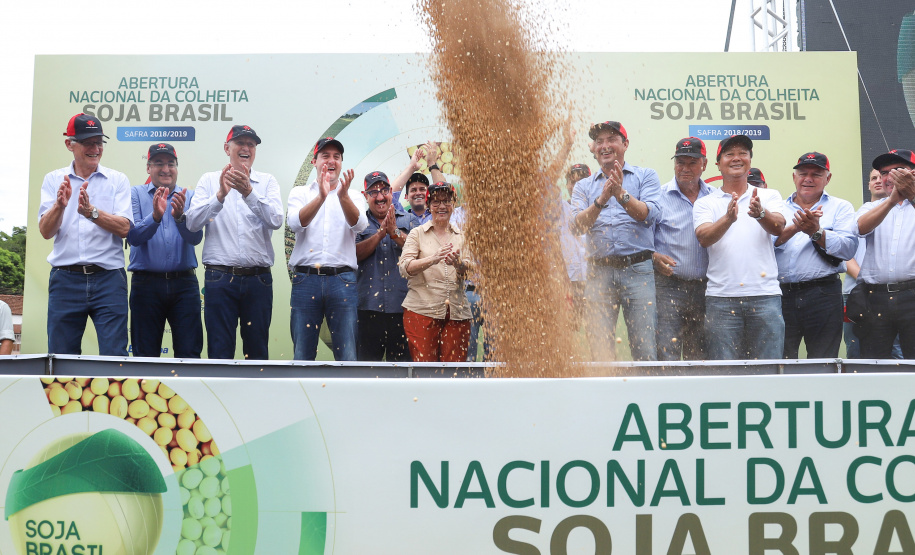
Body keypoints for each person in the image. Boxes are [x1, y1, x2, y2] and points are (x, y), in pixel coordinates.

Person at [185, 125, 283, 360]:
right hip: (219, 280)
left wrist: (249, 192)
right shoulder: (209, 180)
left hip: (258, 280)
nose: (246, 148)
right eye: (240, 143)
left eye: (251, 144)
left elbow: (277, 220)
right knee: (220, 351)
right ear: (227, 148)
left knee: (258, 351)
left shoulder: (267, 182)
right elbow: (192, 224)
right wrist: (220, 195)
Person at [38, 113, 133, 355]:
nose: (95, 148)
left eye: (99, 142)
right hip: (65, 280)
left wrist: (91, 213)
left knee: (115, 358)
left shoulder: (118, 180)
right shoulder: (53, 180)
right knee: (61, 358)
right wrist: (59, 206)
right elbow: (45, 232)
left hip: (109, 280)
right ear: (70, 144)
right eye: (88, 142)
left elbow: (124, 228)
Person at [571, 121, 662, 361]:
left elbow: (649, 215)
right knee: (600, 351)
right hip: (598, 272)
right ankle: (604, 398)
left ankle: (644, 397)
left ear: (625, 144)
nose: (605, 146)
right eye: (599, 141)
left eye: (611, 139)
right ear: (594, 149)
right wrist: (601, 200)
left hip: (638, 270)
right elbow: (577, 226)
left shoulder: (646, 176)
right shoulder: (583, 186)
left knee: (644, 349)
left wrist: (620, 194)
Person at [694, 135, 790, 360]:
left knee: (769, 371)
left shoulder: (768, 195)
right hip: (721, 299)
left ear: (750, 160)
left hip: (765, 297)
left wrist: (761, 214)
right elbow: (704, 238)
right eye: (729, 154)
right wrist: (728, 218)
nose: (737, 158)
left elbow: (779, 227)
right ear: (718, 163)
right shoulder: (705, 202)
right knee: (725, 373)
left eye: (743, 154)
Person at [286, 137, 368, 361]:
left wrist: (341, 196)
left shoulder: (354, 195)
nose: (331, 161)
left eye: (336, 157)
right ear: (314, 161)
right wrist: (322, 196)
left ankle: (347, 396)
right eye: (325, 156)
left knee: (347, 354)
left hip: (342, 281)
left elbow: (360, 226)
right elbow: (295, 224)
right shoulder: (300, 193)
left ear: (341, 163)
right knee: (302, 354)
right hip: (306, 279)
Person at [774, 152, 857, 359]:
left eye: (816, 174)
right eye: (803, 173)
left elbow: (848, 249)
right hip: (780, 294)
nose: (808, 179)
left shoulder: (841, 207)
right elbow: (765, 246)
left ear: (827, 178)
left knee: (824, 361)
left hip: (823, 293)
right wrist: (796, 227)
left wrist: (816, 232)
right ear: (794, 177)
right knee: (780, 361)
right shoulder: (778, 209)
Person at [126, 143, 203, 358]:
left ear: (177, 167)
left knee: (189, 353)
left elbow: (196, 238)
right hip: (146, 285)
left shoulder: (190, 196)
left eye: (171, 163)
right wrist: (155, 217)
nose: (165, 169)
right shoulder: (135, 194)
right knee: (145, 355)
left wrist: (180, 218)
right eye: (158, 163)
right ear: (148, 168)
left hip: (184, 285)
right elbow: (133, 237)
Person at [850, 149, 915, 358]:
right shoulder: (871, 206)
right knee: (873, 363)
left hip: (912, 295)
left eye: (898, 170)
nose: (889, 177)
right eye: (884, 172)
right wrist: (891, 201)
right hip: (875, 297)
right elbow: (860, 228)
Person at [653, 137, 713, 361]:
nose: (685, 169)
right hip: (669, 287)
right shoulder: (658, 197)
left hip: (707, 288)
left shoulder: (715, 197)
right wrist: (653, 256)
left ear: (704, 165)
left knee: (699, 354)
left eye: (692, 163)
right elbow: (642, 240)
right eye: (680, 162)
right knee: (665, 350)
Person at [398, 182, 472, 361]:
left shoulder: (462, 236)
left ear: (453, 205)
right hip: (421, 311)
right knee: (425, 370)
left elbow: (469, 270)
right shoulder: (417, 234)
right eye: (436, 202)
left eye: (446, 201)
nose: (441, 206)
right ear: (428, 206)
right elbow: (404, 267)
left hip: (457, 313)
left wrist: (460, 265)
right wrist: (433, 259)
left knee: (454, 371)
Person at [843, 168, 902, 358]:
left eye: (882, 177)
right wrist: (866, 278)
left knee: (897, 351)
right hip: (857, 293)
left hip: (895, 294)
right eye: (873, 178)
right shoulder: (860, 215)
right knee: (857, 351)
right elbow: (845, 254)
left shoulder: (905, 215)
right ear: (868, 185)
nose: (878, 181)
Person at [355, 170, 412, 361]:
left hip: (403, 309)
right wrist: (380, 234)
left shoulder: (409, 220)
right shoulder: (358, 224)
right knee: (367, 372)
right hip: (367, 310)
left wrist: (394, 232)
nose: (380, 197)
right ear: (365, 196)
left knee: (403, 372)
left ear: (391, 192)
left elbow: (418, 252)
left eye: (384, 190)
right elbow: (354, 255)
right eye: (373, 192)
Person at [562, 164, 591, 332]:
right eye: (571, 181)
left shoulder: (600, 208)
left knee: (596, 334)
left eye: (581, 180)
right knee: (567, 333)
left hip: (594, 283)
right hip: (568, 284)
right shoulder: (558, 210)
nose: (575, 186)